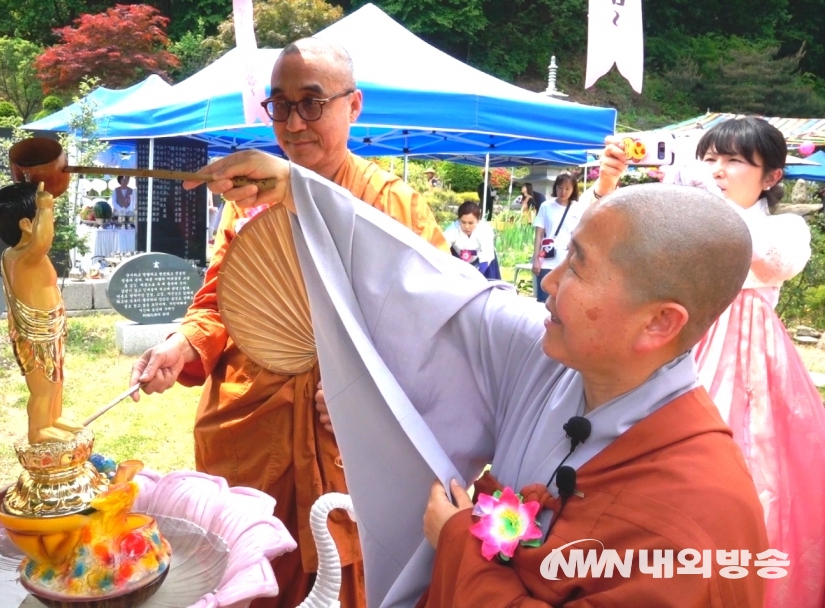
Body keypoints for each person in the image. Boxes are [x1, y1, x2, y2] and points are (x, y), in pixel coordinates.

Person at [182, 150, 769, 606]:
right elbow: (432, 288)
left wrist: (461, 538)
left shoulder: (702, 517)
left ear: (659, 323)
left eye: (579, 268)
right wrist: (303, 193)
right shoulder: (557, 362)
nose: (550, 283)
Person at [129, 38, 447, 608]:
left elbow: (437, 324)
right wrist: (183, 342)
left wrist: (367, 389)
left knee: (349, 574)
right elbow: (220, 303)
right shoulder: (248, 202)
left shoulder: (392, 204)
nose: (294, 122)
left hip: (344, 430)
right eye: (280, 104)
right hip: (255, 418)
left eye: (312, 102)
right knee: (257, 570)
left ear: (354, 106)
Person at [593, 117, 825, 608]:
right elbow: (617, 248)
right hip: (674, 352)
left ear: (772, 177)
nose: (717, 170)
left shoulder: (784, 227)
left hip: (751, 375)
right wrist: (608, 186)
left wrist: (705, 204)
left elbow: (768, 260)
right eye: (709, 158)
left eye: (734, 160)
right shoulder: (686, 216)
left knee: (746, 480)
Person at [0, 182, 84, 445]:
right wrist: (45, 204)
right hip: (35, 331)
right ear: (26, 225)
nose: (49, 224)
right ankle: (39, 429)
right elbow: (44, 240)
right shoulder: (22, 256)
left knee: (56, 378)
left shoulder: (26, 255)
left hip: (50, 327)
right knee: (44, 386)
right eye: (42, 219)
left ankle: (54, 418)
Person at [531, 173, 583, 303]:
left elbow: (581, 235)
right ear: (555, 188)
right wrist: (536, 259)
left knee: (563, 302)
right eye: (560, 187)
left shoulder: (578, 208)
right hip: (547, 259)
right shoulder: (546, 206)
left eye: (567, 188)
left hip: (567, 260)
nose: (563, 192)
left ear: (573, 189)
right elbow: (539, 234)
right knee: (543, 300)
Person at [444, 201, 499, 280]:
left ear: (478, 220)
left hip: (482, 261)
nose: (467, 226)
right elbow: (442, 248)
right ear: (459, 220)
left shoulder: (485, 229)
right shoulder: (452, 229)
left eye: (471, 223)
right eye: (463, 222)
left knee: (491, 258)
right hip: (458, 260)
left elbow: (486, 255)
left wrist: (478, 277)